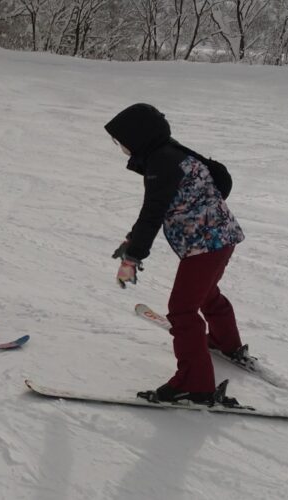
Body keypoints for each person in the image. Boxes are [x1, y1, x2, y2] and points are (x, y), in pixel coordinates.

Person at [105, 103, 247, 404]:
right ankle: (225, 342)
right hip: (223, 237)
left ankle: (195, 385)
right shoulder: (172, 152)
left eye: (122, 141)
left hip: (205, 246)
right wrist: (132, 241)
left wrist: (133, 256)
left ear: (139, 136)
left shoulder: (161, 163)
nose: (121, 147)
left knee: (182, 311)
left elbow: (153, 213)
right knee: (206, 295)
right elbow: (216, 182)